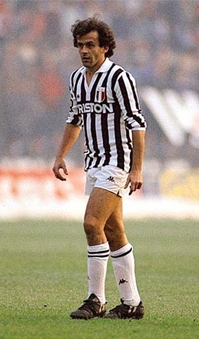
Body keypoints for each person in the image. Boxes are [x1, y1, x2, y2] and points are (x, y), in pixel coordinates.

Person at [52, 16, 146, 320]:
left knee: (92, 223)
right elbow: (74, 119)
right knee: (113, 230)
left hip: (117, 162)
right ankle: (131, 303)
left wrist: (137, 169)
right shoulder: (77, 79)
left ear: (105, 47)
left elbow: (137, 123)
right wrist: (60, 155)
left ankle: (96, 299)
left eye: (90, 45)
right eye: (80, 45)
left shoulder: (120, 78)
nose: (84, 50)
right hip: (93, 162)